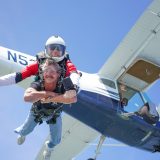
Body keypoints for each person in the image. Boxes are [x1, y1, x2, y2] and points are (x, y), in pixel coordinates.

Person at [14, 59, 77, 160]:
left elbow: (73, 99)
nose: (48, 74)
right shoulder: (38, 84)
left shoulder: (62, 85)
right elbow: (27, 97)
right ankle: (22, 134)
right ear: (43, 73)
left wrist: (51, 98)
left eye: (52, 71)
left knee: (56, 140)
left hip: (54, 115)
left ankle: (49, 148)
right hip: (36, 113)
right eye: (46, 71)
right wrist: (46, 93)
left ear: (58, 74)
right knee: (25, 130)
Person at [0, 35, 80, 98]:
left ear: (64, 51)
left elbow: (74, 74)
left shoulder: (67, 64)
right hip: (42, 92)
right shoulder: (39, 64)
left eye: (59, 49)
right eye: (52, 48)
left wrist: (74, 86)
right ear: (46, 49)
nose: (55, 51)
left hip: (60, 94)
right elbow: (19, 75)